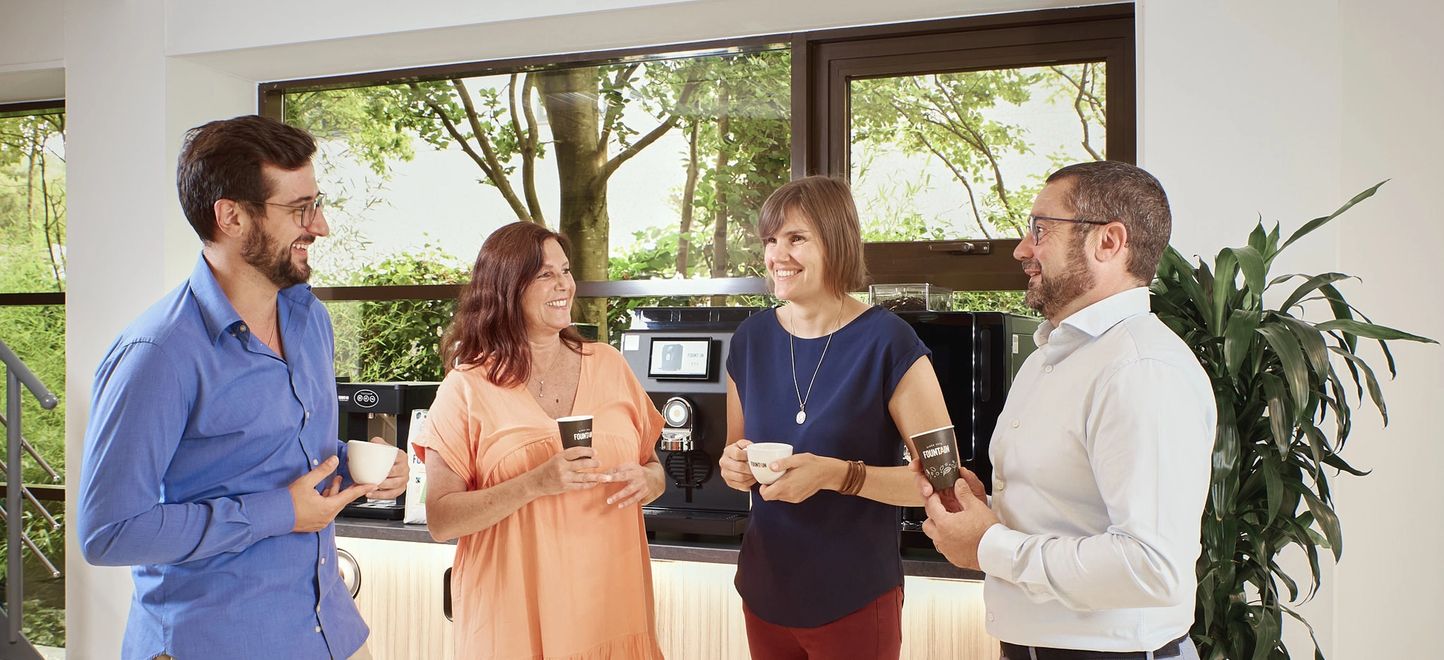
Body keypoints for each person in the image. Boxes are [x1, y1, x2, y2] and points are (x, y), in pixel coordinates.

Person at [76, 115, 407, 660]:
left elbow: (280, 456)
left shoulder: (309, 320)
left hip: (331, 634)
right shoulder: (157, 355)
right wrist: (282, 511)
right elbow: (110, 532)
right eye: (300, 209)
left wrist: (357, 464)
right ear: (230, 216)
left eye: (317, 204)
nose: (320, 226)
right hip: (213, 642)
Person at [916, 161, 1215, 659]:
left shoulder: (1142, 370)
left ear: (1109, 242)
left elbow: (1151, 567)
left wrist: (988, 545)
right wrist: (987, 510)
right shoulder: (1049, 357)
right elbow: (1066, 513)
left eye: (1041, 230)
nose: (1022, 250)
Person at [717, 176, 955, 660]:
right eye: (770, 241)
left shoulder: (889, 342)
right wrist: (735, 467)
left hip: (854, 594)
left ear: (837, 243)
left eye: (796, 239)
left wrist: (838, 475)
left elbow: (943, 483)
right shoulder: (749, 340)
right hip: (765, 588)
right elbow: (736, 456)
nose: (777, 255)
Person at [413, 221, 667, 659]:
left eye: (565, 271)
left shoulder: (609, 365)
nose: (563, 284)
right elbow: (441, 519)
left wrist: (648, 480)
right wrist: (534, 483)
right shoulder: (466, 387)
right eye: (545, 274)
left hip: (611, 612)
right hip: (513, 622)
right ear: (506, 288)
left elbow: (654, 468)